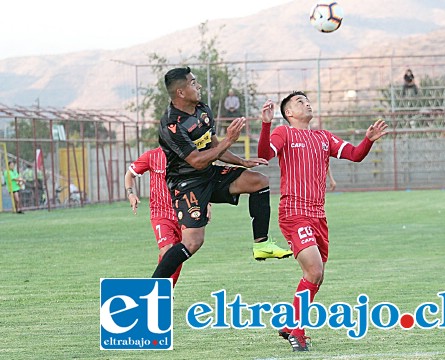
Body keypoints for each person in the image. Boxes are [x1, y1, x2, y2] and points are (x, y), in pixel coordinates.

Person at [257, 92, 388, 351]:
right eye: (299, 102)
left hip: (318, 215)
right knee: (314, 271)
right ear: (289, 113)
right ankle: (298, 332)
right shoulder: (284, 133)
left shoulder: (323, 137)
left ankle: (290, 321)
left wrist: (368, 140)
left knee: (316, 276)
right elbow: (264, 154)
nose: (306, 103)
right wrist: (265, 124)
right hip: (294, 213)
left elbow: (354, 154)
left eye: (307, 100)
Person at [152, 67, 292, 281]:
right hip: (187, 184)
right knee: (192, 242)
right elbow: (197, 160)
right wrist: (229, 140)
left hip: (209, 173)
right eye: (192, 83)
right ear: (180, 92)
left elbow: (213, 146)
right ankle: (151, 287)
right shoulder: (171, 125)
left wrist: (242, 161)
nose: (198, 86)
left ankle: (262, 244)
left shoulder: (202, 110)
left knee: (258, 182)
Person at [125, 147, 185, 287]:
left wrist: (207, 204)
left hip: (183, 212)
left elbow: (200, 181)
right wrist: (130, 193)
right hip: (160, 213)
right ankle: (159, 290)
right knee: (167, 250)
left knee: (178, 255)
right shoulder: (152, 156)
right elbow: (129, 174)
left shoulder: (187, 155)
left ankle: (168, 290)